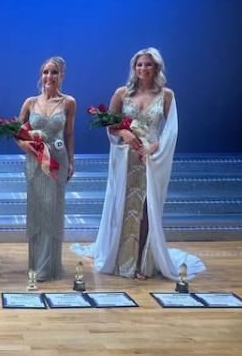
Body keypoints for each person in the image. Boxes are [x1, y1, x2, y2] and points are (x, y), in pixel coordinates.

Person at [71, 47, 205, 280]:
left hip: (150, 159)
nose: (143, 68)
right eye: (139, 65)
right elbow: (110, 124)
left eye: (148, 65)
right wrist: (124, 134)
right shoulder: (122, 93)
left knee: (145, 209)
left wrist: (154, 147)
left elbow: (170, 130)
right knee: (123, 206)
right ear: (134, 68)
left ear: (157, 68)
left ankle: (141, 264)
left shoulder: (166, 95)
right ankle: (123, 261)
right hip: (125, 158)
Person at [16, 56, 75, 281]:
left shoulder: (69, 102)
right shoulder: (30, 103)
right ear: (40, 75)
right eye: (45, 72)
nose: (49, 77)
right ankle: (36, 263)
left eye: (54, 72)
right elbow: (15, 131)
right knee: (38, 211)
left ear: (62, 76)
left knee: (52, 211)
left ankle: (49, 266)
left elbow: (69, 134)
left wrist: (71, 160)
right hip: (34, 162)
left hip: (56, 162)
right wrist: (24, 144)